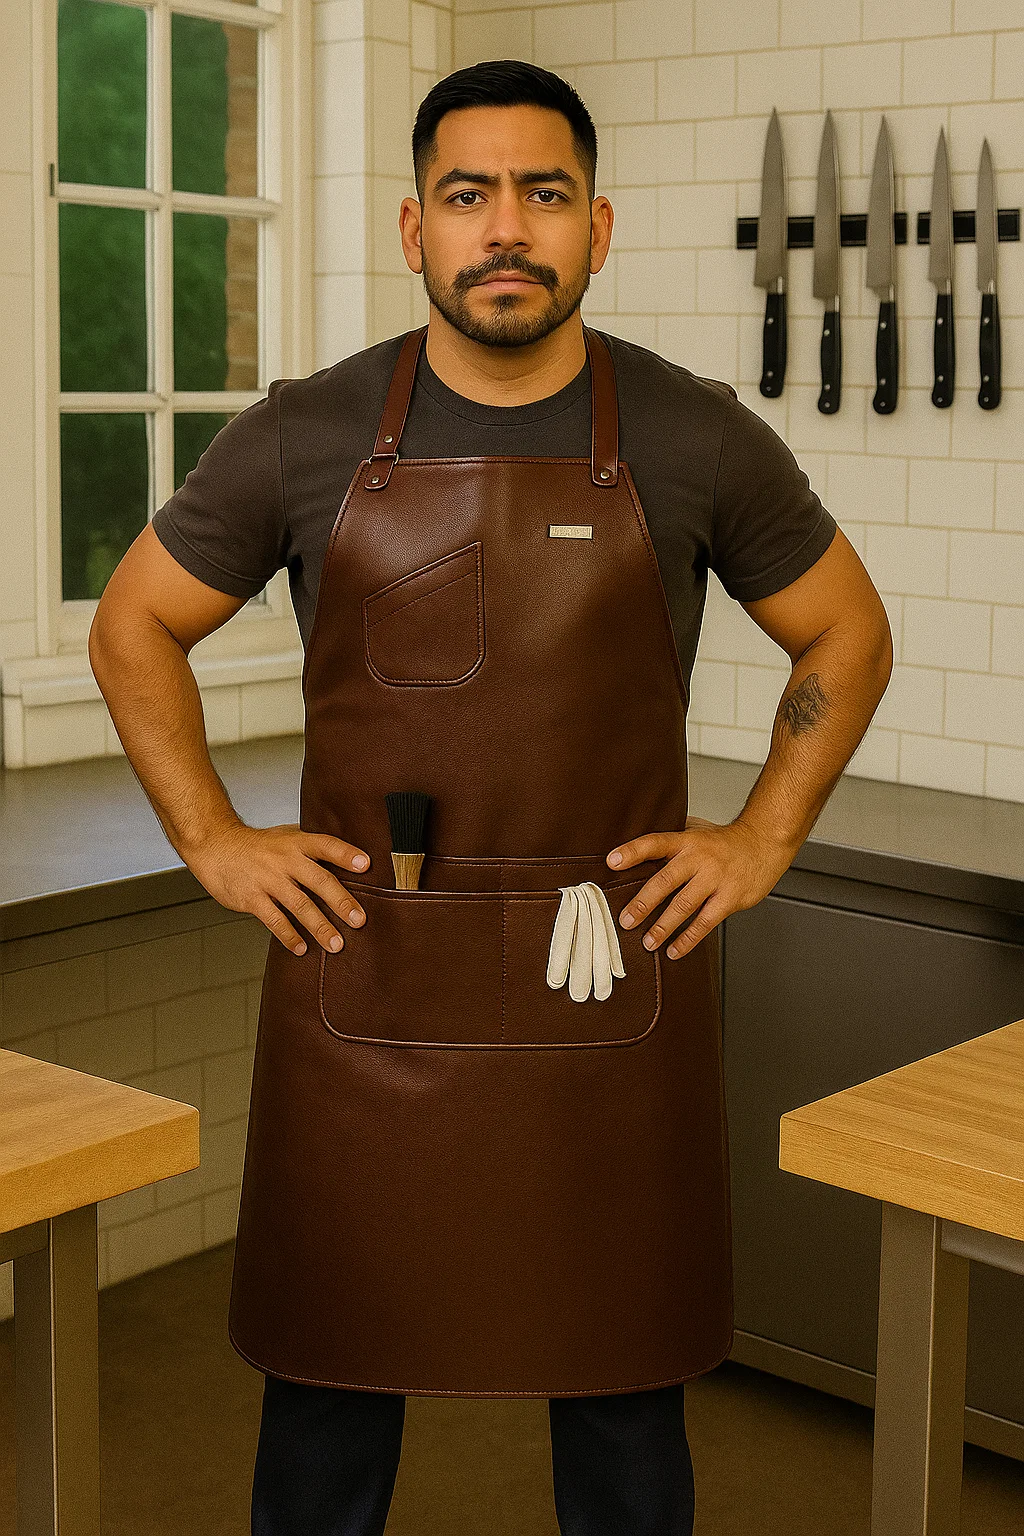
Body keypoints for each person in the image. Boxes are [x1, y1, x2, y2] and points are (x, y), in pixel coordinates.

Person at [89, 59, 892, 1536]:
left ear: (601, 227)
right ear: (414, 229)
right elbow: (132, 620)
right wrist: (209, 838)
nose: (505, 227)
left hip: (609, 982)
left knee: (623, 1391)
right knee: (331, 1386)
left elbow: (848, 628)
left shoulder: (699, 437)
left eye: (543, 194)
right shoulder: (303, 434)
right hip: (368, 979)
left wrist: (763, 833)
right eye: (470, 195)